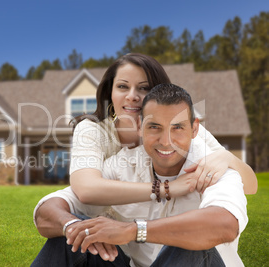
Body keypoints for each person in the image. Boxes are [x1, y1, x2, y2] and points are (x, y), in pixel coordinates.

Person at [32, 84, 248, 266]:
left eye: (177, 128)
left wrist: (134, 230)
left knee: (192, 244)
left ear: (194, 128)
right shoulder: (123, 165)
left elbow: (224, 225)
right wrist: (71, 226)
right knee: (70, 240)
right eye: (154, 127)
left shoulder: (213, 166)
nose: (166, 141)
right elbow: (48, 210)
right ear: (139, 127)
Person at [68, 53, 257, 208]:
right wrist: (167, 188)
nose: (132, 96)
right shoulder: (92, 130)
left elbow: (250, 186)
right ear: (110, 92)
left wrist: (227, 158)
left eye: (143, 88)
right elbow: (86, 189)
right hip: (105, 230)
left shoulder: (182, 127)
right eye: (122, 86)